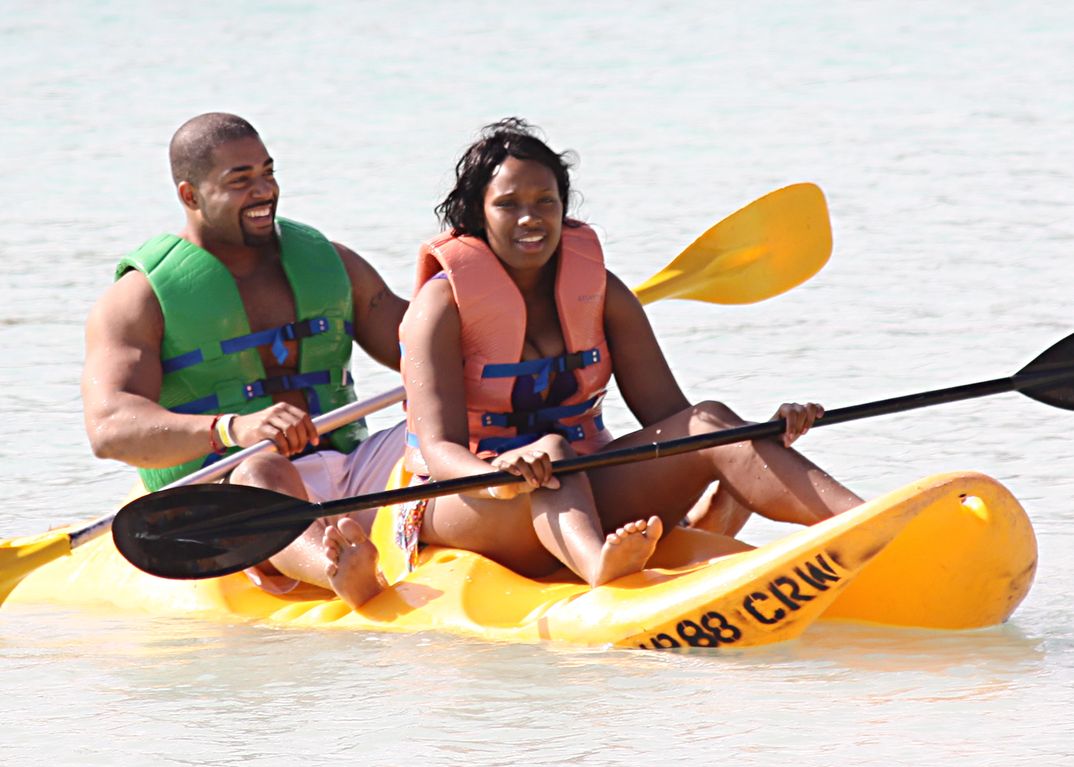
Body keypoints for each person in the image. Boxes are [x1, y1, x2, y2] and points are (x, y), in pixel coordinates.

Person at [396, 118, 863, 587]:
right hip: (468, 500)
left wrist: (757, 438)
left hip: (582, 483)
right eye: (507, 204)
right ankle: (601, 568)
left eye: (545, 202)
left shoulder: (601, 292)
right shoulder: (439, 307)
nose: (530, 218)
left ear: (564, 207)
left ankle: (867, 526)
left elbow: (677, 423)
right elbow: (439, 451)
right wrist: (497, 474)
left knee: (710, 421)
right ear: (477, 215)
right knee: (553, 453)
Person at [82, 113, 404, 607]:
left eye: (268, 173)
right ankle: (339, 568)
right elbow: (110, 429)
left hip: (353, 471)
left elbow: (421, 350)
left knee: (430, 433)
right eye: (240, 180)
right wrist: (233, 430)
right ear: (190, 196)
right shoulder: (137, 300)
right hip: (231, 492)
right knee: (262, 470)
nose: (264, 190)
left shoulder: (330, 263)